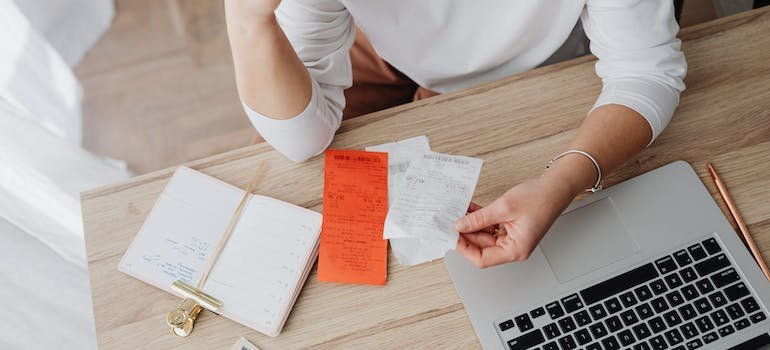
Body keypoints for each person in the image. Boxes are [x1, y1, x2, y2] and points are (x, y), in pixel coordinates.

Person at [224, 0, 686, 268]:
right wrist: (248, 21)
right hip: (369, 32)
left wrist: (563, 181)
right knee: (268, 174)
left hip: (533, 58)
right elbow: (301, 140)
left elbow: (647, 71)